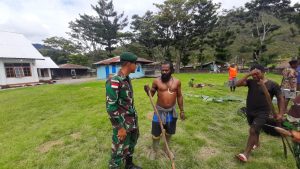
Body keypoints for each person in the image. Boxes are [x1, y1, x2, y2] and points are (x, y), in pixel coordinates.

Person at [235, 64, 285, 162]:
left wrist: (281, 113)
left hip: (263, 112)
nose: (255, 76)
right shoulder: (251, 82)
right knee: (255, 129)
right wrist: (248, 74)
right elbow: (237, 84)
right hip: (250, 111)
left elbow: (280, 98)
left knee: (253, 130)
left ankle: (246, 154)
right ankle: (256, 144)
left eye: (257, 74)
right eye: (253, 74)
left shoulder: (272, 84)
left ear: (263, 72)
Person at [106, 52, 141, 169]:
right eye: (135, 63)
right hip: (122, 123)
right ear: (129, 64)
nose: (136, 66)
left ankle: (129, 165)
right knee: (118, 149)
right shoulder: (115, 80)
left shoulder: (126, 79)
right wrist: (119, 128)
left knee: (131, 144)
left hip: (131, 121)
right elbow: (111, 107)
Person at [144, 62, 185, 159]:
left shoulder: (177, 82)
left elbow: (179, 96)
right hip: (159, 111)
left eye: (166, 70)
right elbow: (151, 94)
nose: (164, 72)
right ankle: (154, 150)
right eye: (162, 70)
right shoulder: (156, 81)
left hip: (171, 111)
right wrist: (148, 91)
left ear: (171, 70)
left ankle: (166, 149)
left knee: (169, 132)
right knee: (155, 133)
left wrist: (182, 110)